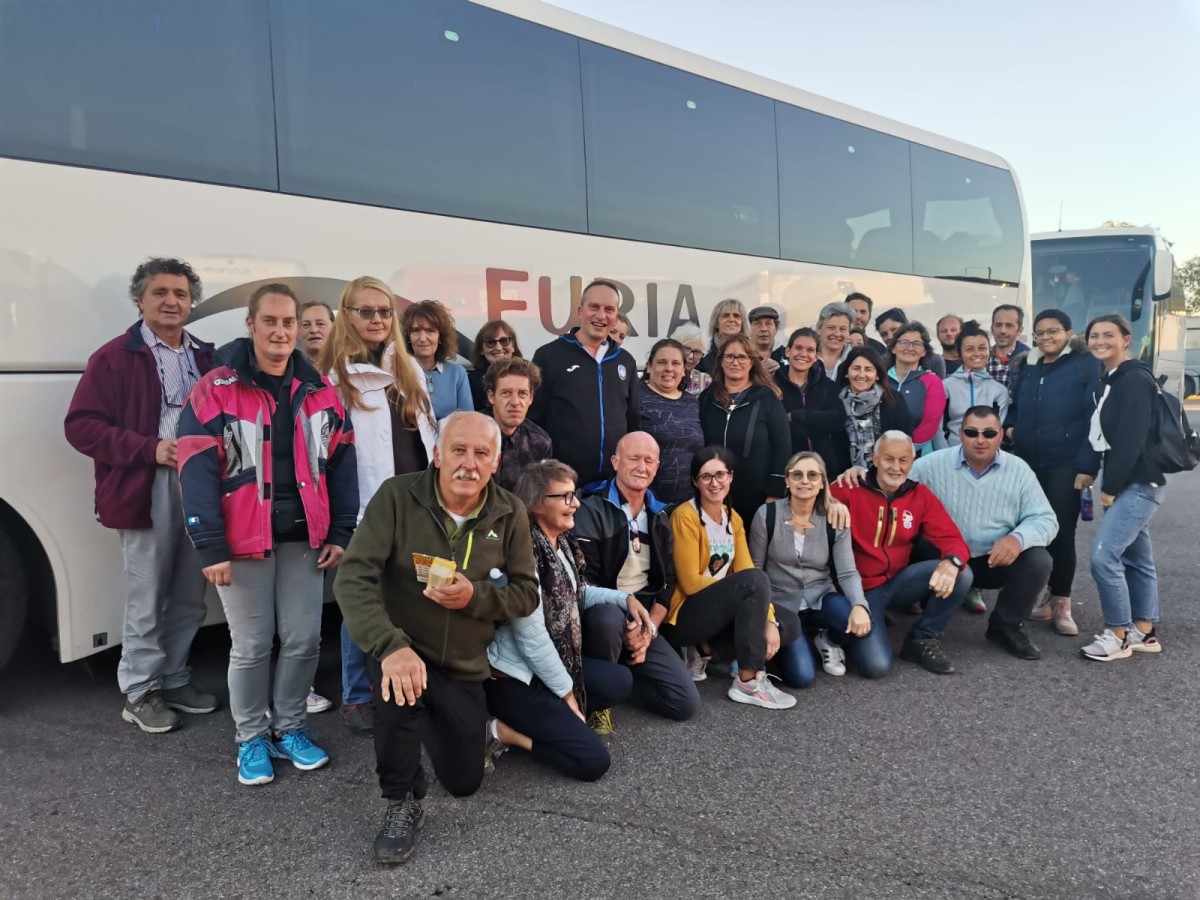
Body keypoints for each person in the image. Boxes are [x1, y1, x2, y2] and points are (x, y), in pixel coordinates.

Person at [334, 412, 539, 865]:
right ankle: (401, 799)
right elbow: (352, 579)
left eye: (481, 453)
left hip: (463, 663)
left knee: (464, 782)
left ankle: (424, 716)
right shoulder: (396, 496)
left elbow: (526, 594)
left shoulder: (509, 511)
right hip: (403, 647)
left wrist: (475, 596)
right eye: (459, 450)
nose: (469, 463)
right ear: (437, 454)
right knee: (397, 692)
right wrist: (390, 646)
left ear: (496, 461)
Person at [177, 283, 358, 784]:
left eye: (288, 323)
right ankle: (252, 737)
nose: (280, 331)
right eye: (270, 321)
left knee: (302, 641)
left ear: (299, 330)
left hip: (305, 539)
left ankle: (291, 728)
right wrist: (208, 545)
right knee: (252, 645)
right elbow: (195, 469)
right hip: (241, 543)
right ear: (251, 325)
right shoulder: (216, 389)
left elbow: (343, 464)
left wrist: (342, 530)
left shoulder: (320, 392)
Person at [64, 257, 217, 734]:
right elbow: (81, 427)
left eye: (181, 294)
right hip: (145, 485)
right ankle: (140, 691)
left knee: (192, 593)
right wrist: (151, 450)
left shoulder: (206, 356)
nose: (172, 301)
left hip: (201, 486)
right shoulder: (112, 357)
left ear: (192, 302)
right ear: (140, 299)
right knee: (147, 595)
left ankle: (173, 679)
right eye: (160, 293)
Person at [318, 276, 437, 735]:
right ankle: (357, 696)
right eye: (365, 311)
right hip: (364, 506)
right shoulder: (331, 377)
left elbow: (426, 438)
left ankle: (409, 682)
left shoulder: (410, 370)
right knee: (360, 601)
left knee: (411, 595)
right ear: (346, 316)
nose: (376, 320)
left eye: (384, 312)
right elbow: (328, 455)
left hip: (415, 503)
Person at [485, 460, 647, 780]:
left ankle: (553, 718)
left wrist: (625, 599)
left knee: (620, 681)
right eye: (565, 497)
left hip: (554, 663)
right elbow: (531, 638)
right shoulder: (524, 553)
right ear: (535, 505)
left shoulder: (561, 545)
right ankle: (499, 732)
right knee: (593, 762)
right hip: (516, 678)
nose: (575, 504)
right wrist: (568, 694)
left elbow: (579, 592)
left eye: (575, 494)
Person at [572, 432, 701, 730]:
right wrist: (625, 615)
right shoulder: (591, 510)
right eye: (633, 458)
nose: (641, 466)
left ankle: (620, 683)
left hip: (641, 616)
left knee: (684, 702)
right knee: (606, 619)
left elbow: (668, 583)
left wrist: (649, 629)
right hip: (602, 611)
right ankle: (598, 702)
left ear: (656, 468)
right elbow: (583, 583)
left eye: (648, 460)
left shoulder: (660, 516)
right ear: (616, 462)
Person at [909, 407, 1058, 660]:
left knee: (1039, 560)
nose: (980, 440)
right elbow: (891, 484)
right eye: (972, 432)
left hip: (994, 559)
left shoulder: (1019, 470)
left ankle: (1005, 628)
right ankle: (927, 623)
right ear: (960, 434)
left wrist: (1017, 539)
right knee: (920, 544)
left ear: (1000, 436)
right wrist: (858, 474)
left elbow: (1045, 518)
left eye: (989, 433)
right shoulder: (929, 465)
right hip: (944, 558)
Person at [664, 447, 798, 709]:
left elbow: (748, 570)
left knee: (789, 623)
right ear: (695, 481)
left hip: (718, 612)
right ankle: (748, 681)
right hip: (685, 616)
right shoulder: (685, 516)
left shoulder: (733, 518)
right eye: (706, 477)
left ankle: (711, 652)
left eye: (720, 475)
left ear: (731, 477)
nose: (714, 483)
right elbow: (690, 582)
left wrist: (769, 619)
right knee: (753, 582)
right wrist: (738, 595)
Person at [830, 433, 975, 676]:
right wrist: (829, 499)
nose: (896, 468)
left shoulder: (919, 495)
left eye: (903, 460)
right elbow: (808, 500)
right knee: (876, 667)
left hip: (898, 582)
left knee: (962, 573)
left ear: (912, 461)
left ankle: (922, 639)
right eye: (888, 459)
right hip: (860, 589)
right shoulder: (850, 487)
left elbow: (952, 538)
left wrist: (952, 562)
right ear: (874, 459)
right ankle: (840, 634)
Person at [1077, 314, 1167, 662]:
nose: (1100, 341)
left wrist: (1109, 487)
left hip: (1139, 481)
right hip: (1133, 479)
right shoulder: (1111, 378)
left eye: (1108, 335)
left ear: (1126, 339)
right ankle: (1144, 631)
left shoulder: (1133, 379)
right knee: (1138, 557)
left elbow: (1130, 439)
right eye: (1094, 336)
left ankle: (1117, 635)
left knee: (1104, 555)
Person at [1007, 309, 1101, 636]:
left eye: (1053, 331)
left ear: (1068, 332)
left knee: (1062, 534)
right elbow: (1016, 406)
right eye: (1040, 332)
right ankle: (1034, 596)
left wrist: (1088, 466)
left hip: (1066, 464)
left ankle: (1061, 601)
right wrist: (1010, 427)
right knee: (1032, 530)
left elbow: (1095, 417)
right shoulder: (1026, 364)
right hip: (1029, 462)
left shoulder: (1084, 364)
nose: (1046, 337)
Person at [749, 451, 868, 687]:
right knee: (802, 677)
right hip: (782, 603)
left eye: (813, 475)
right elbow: (755, 571)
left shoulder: (834, 517)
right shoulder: (767, 515)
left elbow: (847, 571)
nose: (805, 481)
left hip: (821, 595)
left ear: (823, 482)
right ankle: (791, 642)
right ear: (787, 480)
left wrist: (859, 605)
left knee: (859, 624)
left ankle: (826, 640)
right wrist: (767, 618)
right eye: (798, 475)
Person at [529, 279, 640, 487]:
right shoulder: (548, 356)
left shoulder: (626, 362)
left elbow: (633, 421)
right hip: (563, 484)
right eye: (594, 307)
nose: (601, 315)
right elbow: (533, 421)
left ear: (616, 317)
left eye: (609, 309)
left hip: (613, 485)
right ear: (580, 311)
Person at [697, 334, 791, 523]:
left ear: (751, 362)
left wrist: (774, 492)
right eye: (729, 356)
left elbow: (783, 446)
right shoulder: (707, 398)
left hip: (756, 499)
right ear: (721, 361)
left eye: (742, 357)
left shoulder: (767, 398)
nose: (735, 362)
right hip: (713, 495)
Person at [637, 339, 704, 504]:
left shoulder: (692, 402)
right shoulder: (634, 396)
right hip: (647, 503)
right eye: (661, 362)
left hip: (689, 503)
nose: (669, 368)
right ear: (649, 366)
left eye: (676, 363)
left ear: (683, 370)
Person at [833, 347, 914, 474]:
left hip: (886, 474)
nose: (861, 375)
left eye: (868, 369)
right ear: (846, 372)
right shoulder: (835, 401)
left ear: (877, 375)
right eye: (856, 368)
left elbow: (904, 440)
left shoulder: (893, 400)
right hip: (845, 476)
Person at [775, 327, 844, 471]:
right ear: (788, 351)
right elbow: (776, 426)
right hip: (786, 467)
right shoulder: (773, 386)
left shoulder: (827, 385)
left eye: (810, 350)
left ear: (817, 355)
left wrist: (796, 415)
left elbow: (837, 420)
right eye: (798, 348)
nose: (803, 354)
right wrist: (819, 420)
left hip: (824, 468)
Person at [485, 357, 553, 493]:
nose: (515, 402)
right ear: (491, 396)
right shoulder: (470, 434)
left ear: (531, 398)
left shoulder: (540, 442)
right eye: (506, 393)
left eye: (522, 394)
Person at [939, 321, 1009, 450]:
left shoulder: (999, 391)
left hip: (987, 458)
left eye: (982, 348)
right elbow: (937, 430)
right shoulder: (945, 387)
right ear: (959, 353)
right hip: (951, 457)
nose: (977, 354)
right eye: (969, 349)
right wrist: (946, 457)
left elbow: (997, 432)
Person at [402, 300, 472, 421]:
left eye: (430, 330)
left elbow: (467, 420)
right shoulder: (398, 372)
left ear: (440, 337)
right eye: (416, 330)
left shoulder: (457, 374)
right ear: (407, 337)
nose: (423, 338)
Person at [887, 321, 946, 456]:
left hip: (917, 455)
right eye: (904, 342)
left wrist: (903, 452)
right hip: (879, 455)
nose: (910, 348)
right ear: (893, 348)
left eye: (917, 344)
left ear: (924, 351)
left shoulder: (932, 382)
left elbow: (929, 425)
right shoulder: (879, 379)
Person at [467, 319, 523, 412]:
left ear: (513, 346)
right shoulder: (471, 381)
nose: (498, 347)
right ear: (481, 349)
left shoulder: (526, 377)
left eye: (504, 341)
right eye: (490, 342)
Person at [696, 298, 748, 375]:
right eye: (726, 316)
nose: (731, 319)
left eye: (736, 316)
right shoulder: (702, 353)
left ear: (742, 323)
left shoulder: (752, 352)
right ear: (716, 323)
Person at [986, 303, 1030, 389]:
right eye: (998, 325)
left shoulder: (1029, 361)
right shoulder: (981, 359)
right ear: (992, 329)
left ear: (1019, 330)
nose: (1002, 330)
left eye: (1009, 326)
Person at [814, 302, 854, 381]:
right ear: (819, 328)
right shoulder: (806, 356)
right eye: (831, 328)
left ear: (849, 332)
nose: (837, 334)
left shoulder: (855, 358)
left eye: (843, 329)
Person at [670, 322, 711, 395]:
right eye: (686, 348)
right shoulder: (662, 376)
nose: (691, 356)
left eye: (697, 352)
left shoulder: (705, 381)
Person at [748, 305, 785, 374]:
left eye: (769, 324)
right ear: (749, 329)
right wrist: (760, 373)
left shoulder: (787, 354)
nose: (763, 329)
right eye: (757, 324)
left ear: (776, 329)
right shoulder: (743, 355)